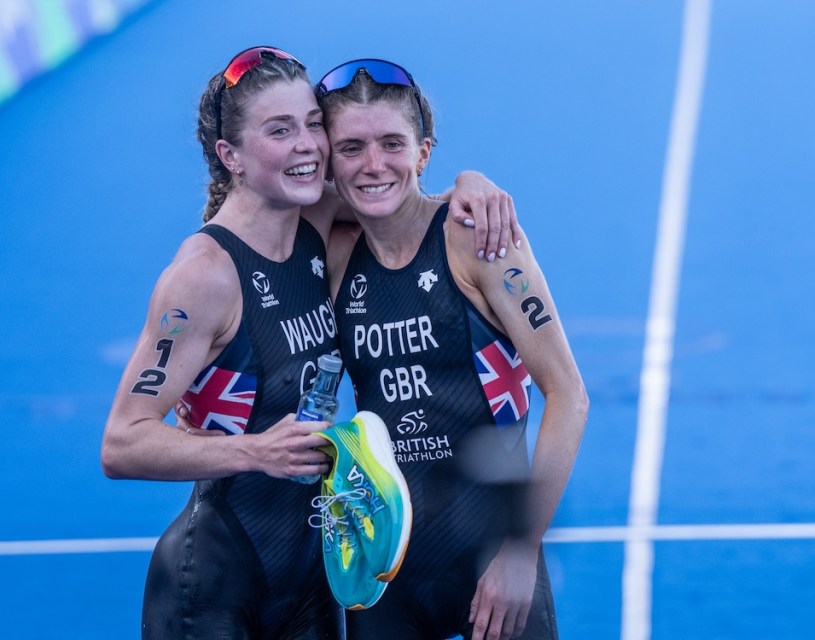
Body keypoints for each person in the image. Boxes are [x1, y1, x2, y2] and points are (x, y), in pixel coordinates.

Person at [101, 47, 520, 639]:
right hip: (218, 581)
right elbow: (121, 442)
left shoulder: (316, 224)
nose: (308, 146)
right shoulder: (204, 275)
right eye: (280, 130)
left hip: (315, 577)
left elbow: (395, 190)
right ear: (231, 156)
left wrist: (472, 184)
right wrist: (254, 452)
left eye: (312, 123)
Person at [316, 59, 588, 640]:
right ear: (330, 163)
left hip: (492, 550)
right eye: (352, 147)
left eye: (393, 143)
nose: (373, 164)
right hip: (385, 563)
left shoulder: (474, 238)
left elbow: (568, 395)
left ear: (424, 152)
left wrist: (521, 552)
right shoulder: (333, 258)